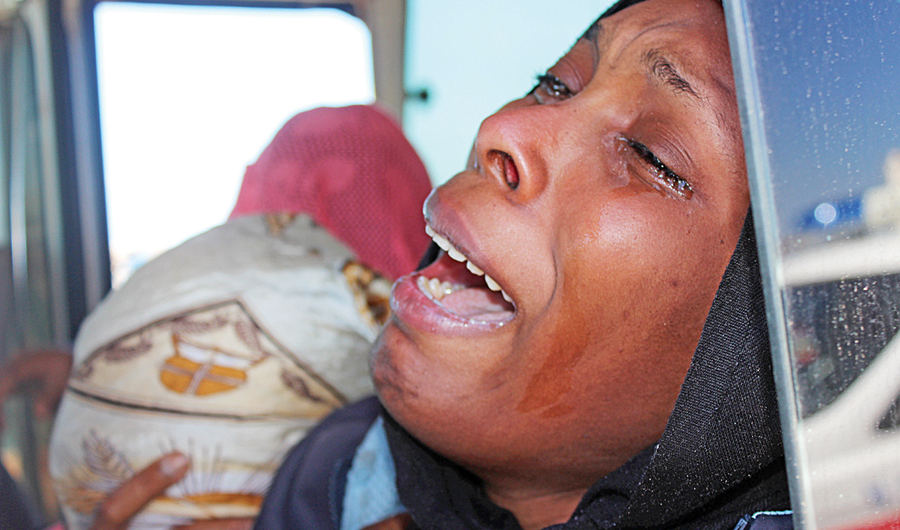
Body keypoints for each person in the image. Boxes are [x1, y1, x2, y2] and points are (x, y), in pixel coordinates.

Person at [252, 0, 792, 529]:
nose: (503, 126)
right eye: (554, 83)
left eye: (650, 155)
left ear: (752, 348)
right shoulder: (327, 473)